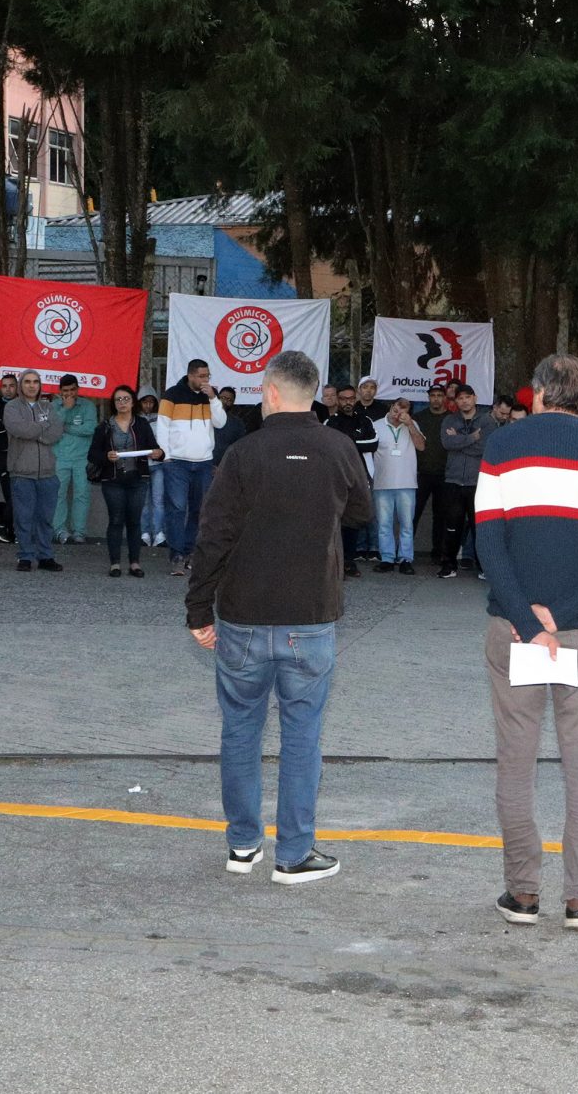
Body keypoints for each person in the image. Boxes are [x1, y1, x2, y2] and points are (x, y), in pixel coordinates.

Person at [186, 351, 370, 885]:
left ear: (269, 391)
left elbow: (212, 534)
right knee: (302, 735)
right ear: (313, 393)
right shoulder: (338, 447)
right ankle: (294, 853)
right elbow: (362, 512)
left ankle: (243, 846)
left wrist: (198, 610)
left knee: (240, 730)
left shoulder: (244, 453)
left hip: (242, 618)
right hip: (309, 618)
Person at [475, 353, 578, 930]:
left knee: (516, 763)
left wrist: (527, 617)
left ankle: (521, 894)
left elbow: (488, 543)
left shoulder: (501, 447)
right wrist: (559, 615)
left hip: (513, 629)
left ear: (541, 393)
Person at [155, 360, 223, 573]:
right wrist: (165, 456)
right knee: (176, 508)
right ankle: (176, 555)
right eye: (202, 376)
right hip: (177, 462)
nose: (206, 380)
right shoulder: (172, 394)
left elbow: (220, 423)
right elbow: (163, 426)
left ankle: (190, 552)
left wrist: (213, 398)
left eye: (208, 376)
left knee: (199, 509)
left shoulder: (210, 396)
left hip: (203, 462)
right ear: (191, 375)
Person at [89, 384, 159, 577]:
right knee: (116, 520)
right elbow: (93, 454)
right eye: (118, 399)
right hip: (113, 480)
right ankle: (115, 563)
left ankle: (135, 563)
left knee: (134, 521)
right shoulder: (105, 426)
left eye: (126, 399)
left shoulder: (142, 424)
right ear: (113, 403)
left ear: (133, 401)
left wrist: (158, 453)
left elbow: (154, 448)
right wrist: (106, 457)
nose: (122, 403)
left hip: (138, 480)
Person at [1, 370, 66, 572]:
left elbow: (56, 432)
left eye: (35, 382)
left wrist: (36, 431)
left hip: (47, 472)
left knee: (46, 518)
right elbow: (20, 430)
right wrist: (42, 427)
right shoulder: (12, 407)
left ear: (40, 384)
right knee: (24, 517)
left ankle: (46, 556)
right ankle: (25, 556)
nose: (31, 385)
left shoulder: (48, 406)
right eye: (27, 382)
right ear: (21, 385)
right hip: (22, 472)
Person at [435, 384, 495, 579]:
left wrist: (459, 441)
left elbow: (484, 449)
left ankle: (484, 566)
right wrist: (471, 437)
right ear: (455, 401)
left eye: (467, 397)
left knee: (480, 527)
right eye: (460, 398)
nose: (464, 401)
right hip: (453, 481)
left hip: (478, 482)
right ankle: (448, 565)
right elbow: (446, 443)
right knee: (452, 526)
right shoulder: (449, 420)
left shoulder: (487, 421)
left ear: (475, 398)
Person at [324, 384, 382, 577]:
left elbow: (373, 444)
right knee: (335, 521)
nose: (347, 402)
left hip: (359, 476)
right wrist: (356, 442)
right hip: (335, 477)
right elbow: (327, 448)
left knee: (354, 520)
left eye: (350, 398)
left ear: (355, 398)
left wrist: (346, 442)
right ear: (338, 400)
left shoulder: (365, 420)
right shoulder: (330, 422)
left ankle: (349, 561)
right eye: (343, 399)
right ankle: (334, 563)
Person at [370, 396, 424, 573]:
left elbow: (421, 447)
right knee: (384, 523)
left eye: (403, 411)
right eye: (395, 410)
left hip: (407, 482)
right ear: (390, 406)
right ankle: (387, 558)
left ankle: (405, 559)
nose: (397, 414)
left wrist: (409, 425)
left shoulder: (412, 425)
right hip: (382, 482)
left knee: (406, 523)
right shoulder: (376, 425)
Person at [49, 375, 99, 546]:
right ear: (59, 391)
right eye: (65, 391)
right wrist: (65, 409)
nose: (69, 394)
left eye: (72, 390)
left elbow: (90, 428)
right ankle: (60, 531)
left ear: (78, 389)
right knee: (58, 495)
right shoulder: (53, 406)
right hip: (59, 457)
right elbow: (52, 429)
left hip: (82, 458)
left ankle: (79, 532)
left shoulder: (88, 406)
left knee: (82, 495)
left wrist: (67, 427)